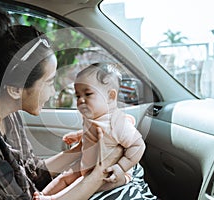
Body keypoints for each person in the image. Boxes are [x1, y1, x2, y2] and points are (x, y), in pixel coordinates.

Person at [0, 9, 125, 200]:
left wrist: (83, 148)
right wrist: (100, 172)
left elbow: (33, 174)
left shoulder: (7, 114)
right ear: (14, 89)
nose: (53, 91)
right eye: (49, 82)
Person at [34, 63, 147, 200]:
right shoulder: (94, 117)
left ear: (111, 96)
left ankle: (52, 199)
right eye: (78, 96)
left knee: (79, 183)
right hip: (89, 164)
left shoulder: (118, 123)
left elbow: (139, 145)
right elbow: (92, 132)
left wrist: (121, 167)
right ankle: (42, 194)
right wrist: (77, 136)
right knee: (65, 176)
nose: (81, 100)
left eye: (88, 94)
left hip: (110, 174)